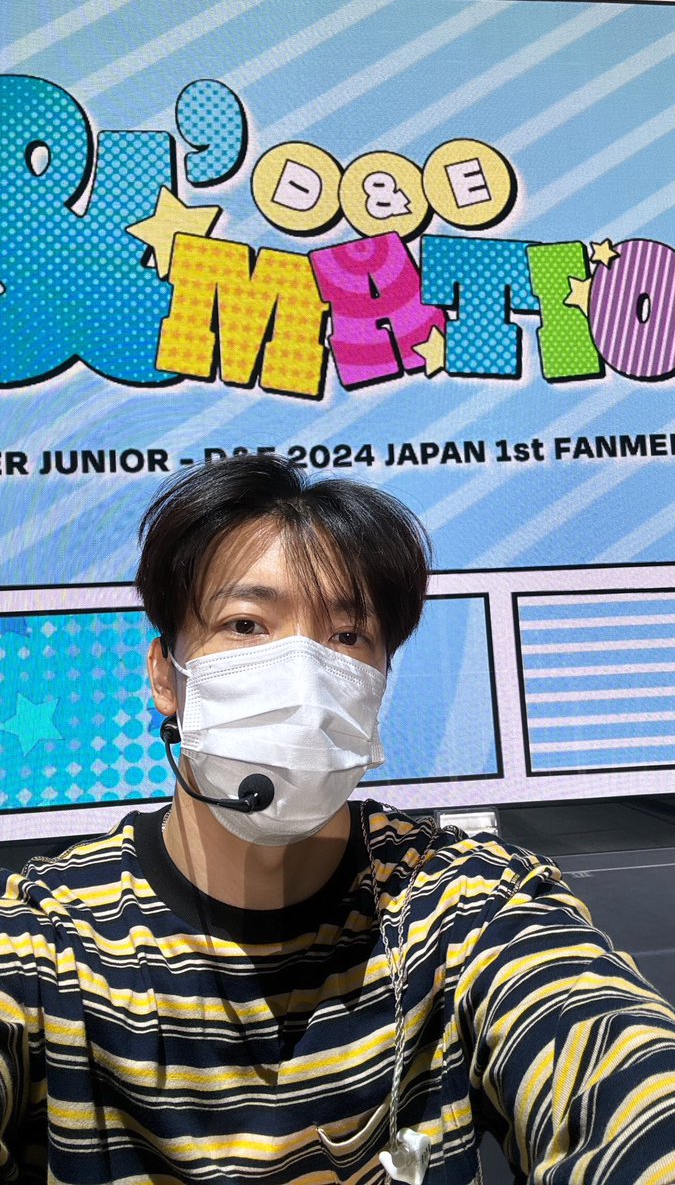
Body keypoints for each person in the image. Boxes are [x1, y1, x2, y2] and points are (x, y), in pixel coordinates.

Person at [1, 453, 675, 1185]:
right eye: (246, 624)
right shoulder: (47, 938)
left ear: (378, 683)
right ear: (166, 674)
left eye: (347, 637)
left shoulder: (466, 902)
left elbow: (609, 1059)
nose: (301, 677)